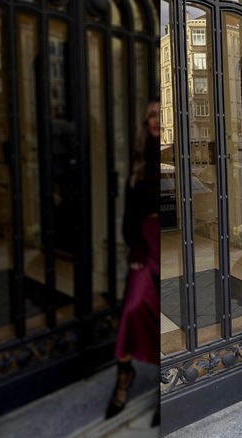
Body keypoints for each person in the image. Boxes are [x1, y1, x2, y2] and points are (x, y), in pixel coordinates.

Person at [105, 99, 161, 425]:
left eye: (161, 115)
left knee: (162, 314)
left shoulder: (171, 157)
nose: (156, 120)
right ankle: (123, 376)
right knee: (134, 306)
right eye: (151, 116)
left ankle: (162, 389)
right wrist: (136, 247)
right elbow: (128, 216)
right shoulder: (139, 162)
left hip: (164, 241)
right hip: (143, 243)